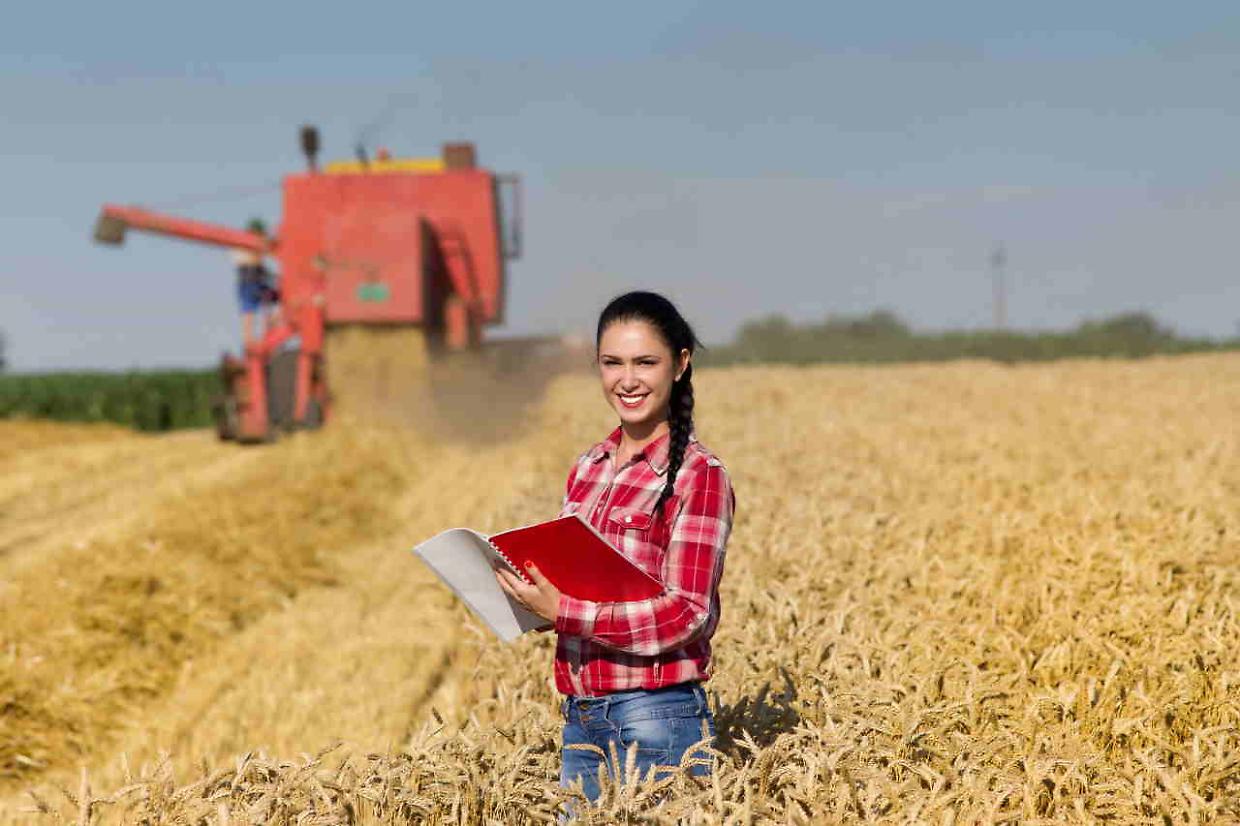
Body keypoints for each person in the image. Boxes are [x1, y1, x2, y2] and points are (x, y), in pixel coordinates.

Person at [496, 290, 736, 806]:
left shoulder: (699, 476)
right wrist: (530, 602)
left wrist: (565, 611)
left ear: (680, 364)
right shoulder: (588, 467)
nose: (627, 380)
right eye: (612, 363)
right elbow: (580, 592)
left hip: (657, 719)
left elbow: (687, 614)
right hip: (581, 718)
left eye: (645, 362)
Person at [234, 218, 278, 344]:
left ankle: (268, 331)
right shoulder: (243, 247)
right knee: (248, 313)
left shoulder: (250, 249)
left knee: (281, 298)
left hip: (255, 284)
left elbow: (260, 266)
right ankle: (250, 342)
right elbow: (249, 261)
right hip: (249, 284)